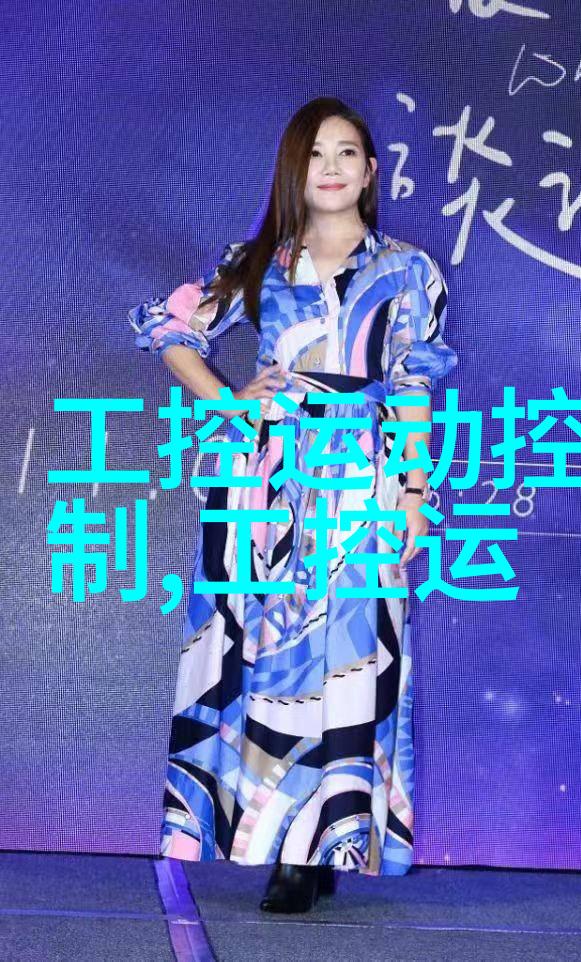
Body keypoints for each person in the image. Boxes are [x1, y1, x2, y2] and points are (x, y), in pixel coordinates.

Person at [128, 96, 458, 913]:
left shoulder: (409, 270)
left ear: (371, 171)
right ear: (293, 169)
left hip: (362, 474)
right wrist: (228, 401)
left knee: (352, 651)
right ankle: (281, 844)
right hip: (265, 477)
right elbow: (168, 328)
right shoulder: (258, 263)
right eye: (315, 154)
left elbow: (412, 387)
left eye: (347, 152)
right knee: (265, 652)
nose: (332, 167)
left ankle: (327, 840)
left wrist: (414, 489)